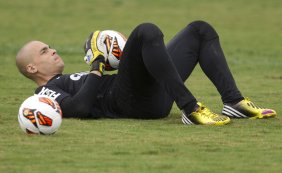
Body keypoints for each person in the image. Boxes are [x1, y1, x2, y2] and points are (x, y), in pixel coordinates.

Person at [15, 20, 276, 125]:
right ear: (32, 68)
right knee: (145, 31)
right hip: (127, 102)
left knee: (199, 30)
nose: (52, 50)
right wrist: (97, 66)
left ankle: (233, 102)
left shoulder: (65, 77)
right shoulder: (43, 94)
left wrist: (109, 61)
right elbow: (80, 107)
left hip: (152, 94)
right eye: (44, 51)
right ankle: (190, 108)